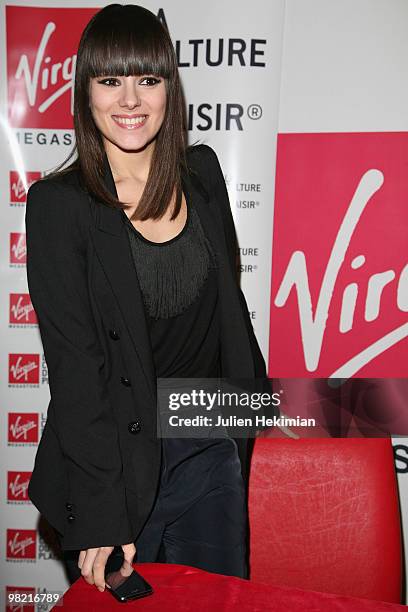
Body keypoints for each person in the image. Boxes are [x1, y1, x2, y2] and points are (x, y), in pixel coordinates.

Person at [25, 3, 278, 593]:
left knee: (218, 602)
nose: (130, 100)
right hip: (116, 455)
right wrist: (102, 512)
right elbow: (77, 370)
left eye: (148, 78)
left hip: (208, 441)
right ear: (86, 92)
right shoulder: (58, 206)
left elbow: (228, 308)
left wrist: (251, 410)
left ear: (170, 87)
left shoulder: (204, 173)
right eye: (110, 80)